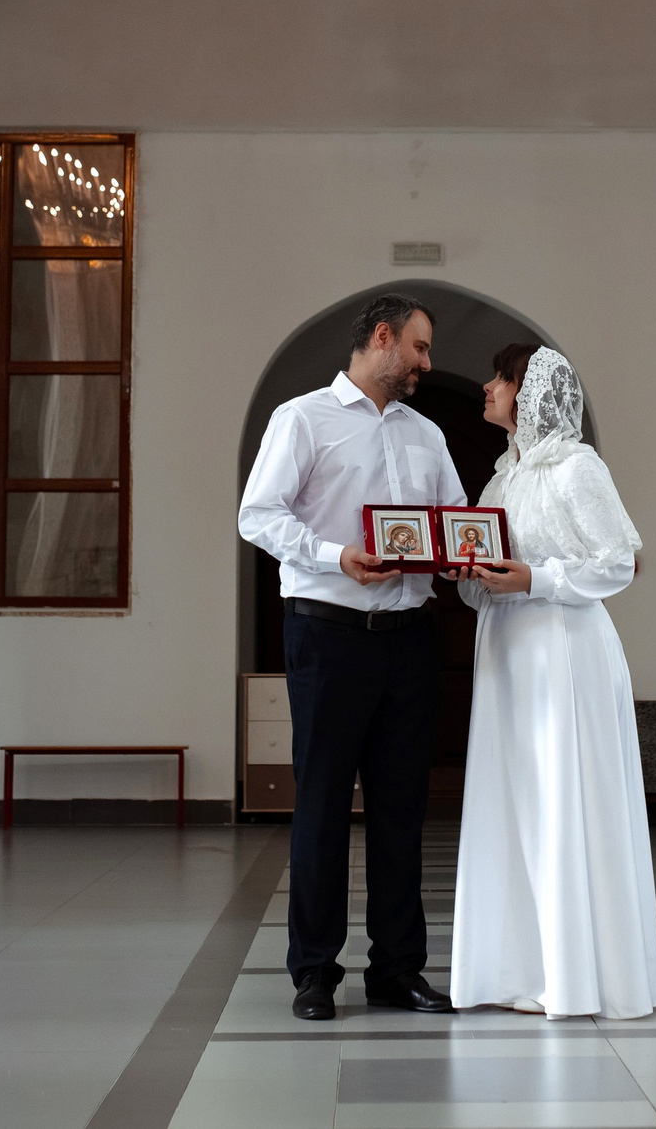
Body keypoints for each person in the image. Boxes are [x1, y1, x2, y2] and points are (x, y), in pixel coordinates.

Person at [238, 294, 463, 1023]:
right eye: (419, 347)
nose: (426, 362)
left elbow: (454, 522)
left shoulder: (427, 434)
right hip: (327, 635)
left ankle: (398, 970)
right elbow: (258, 515)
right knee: (324, 805)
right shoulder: (302, 418)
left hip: (410, 638)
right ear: (383, 337)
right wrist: (335, 555)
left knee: (402, 810)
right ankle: (314, 971)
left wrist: (460, 555)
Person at [450, 344, 656, 1020]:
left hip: (563, 648)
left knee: (563, 795)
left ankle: (578, 974)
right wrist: (470, 576)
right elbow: (489, 579)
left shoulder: (577, 466)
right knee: (513, 799)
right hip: (506, 650)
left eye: (502, 377)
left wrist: (536, 579)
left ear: (531, 391)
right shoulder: (501, 480)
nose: (488, 386)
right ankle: (516, 969)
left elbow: (618, 562)